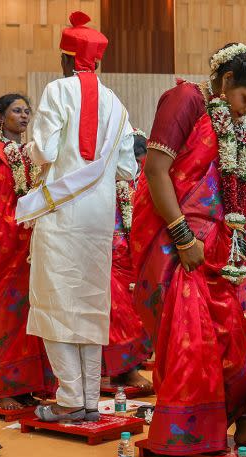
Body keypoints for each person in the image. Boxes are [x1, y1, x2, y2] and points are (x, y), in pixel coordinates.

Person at [131, 42, 246, 455]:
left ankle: (244, 424)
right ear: (227, 79)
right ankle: (189, 433)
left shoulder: (227, 119)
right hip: (177, 244)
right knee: (193, 338)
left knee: (232, 335)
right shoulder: (185, 99)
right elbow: (157, 170)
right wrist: (182, 237)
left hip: (215, 247)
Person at [16, 11, 138, 423]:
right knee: (89, 305)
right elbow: (128, 169)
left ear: (67, 59)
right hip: (99, 221)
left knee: (54, 303)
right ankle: (87, 400)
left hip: (61, 214)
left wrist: (30, 156)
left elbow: (45, 152)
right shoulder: (117, 105)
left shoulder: (57, 90)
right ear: (97, 62)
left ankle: (69, 400)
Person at [0, 92, 54, 410]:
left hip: (30, 245)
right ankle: (6, 388)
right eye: (17, 111)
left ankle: (29, 385)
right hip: (3, 246)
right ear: (0, 117)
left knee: (29, 314)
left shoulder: (32, 154)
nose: (24, 116)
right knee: (4, 314)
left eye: (27, 111)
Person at [102, 131, 153, 391]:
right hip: (110, 254)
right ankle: (124, 371)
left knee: (138, 312)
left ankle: (123, 370)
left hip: (137, 255)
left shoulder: (145, 179)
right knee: (118, 314)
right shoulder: (107, 180)